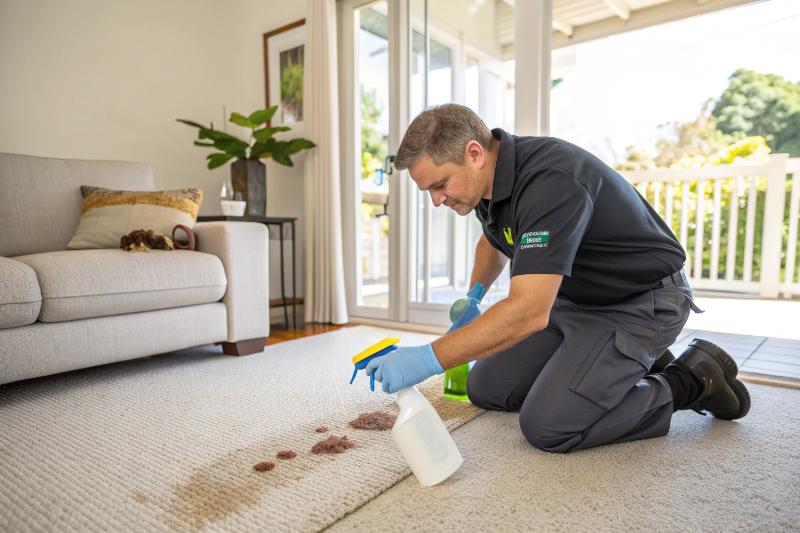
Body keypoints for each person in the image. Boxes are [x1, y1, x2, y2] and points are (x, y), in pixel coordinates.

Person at [363, 103, 750, 453]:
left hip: (642, 301)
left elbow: (529, 311)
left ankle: (691, 379)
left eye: (439, 185)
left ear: (474, 154)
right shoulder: (488, 183)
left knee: (549, 426)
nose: (435, 200)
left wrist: (430, 358)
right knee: (486, 388)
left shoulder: (550, 182)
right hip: (574, 299)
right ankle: (632, 362)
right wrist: (475, 297)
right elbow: (493, 241)